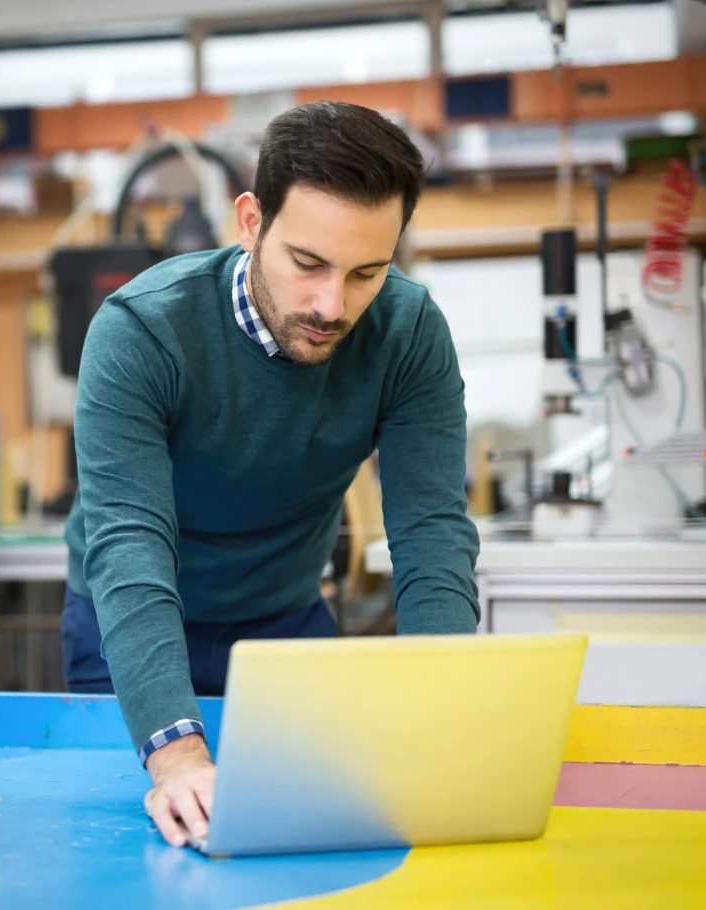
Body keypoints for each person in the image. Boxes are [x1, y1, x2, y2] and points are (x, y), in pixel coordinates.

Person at [60, 101, 481, 847]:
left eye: (367, 273)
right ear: (250, 222)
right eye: (308, 263)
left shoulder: (410, 333)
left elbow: (432, 534)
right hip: (127, 623)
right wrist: (178, 756)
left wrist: (447, 715)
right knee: (144, 851)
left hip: (284, 622)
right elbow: (128, 546)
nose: (331, 305)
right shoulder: (142, 331)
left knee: (315, 840)